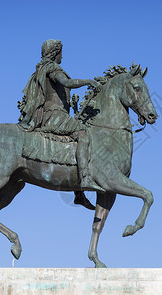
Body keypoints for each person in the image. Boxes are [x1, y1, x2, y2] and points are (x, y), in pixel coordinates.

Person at [18, 39, 104, 197]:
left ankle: (79, 194)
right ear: (55, 53)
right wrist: (88, 81)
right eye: (61, 53)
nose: (62, 57)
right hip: (53, 115)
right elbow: (66, 82)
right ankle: (84, 178)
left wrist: (73, 105)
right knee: (84, 134)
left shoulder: (40, 70)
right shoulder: (51, 68)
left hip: (54, 114)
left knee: (73, 141)